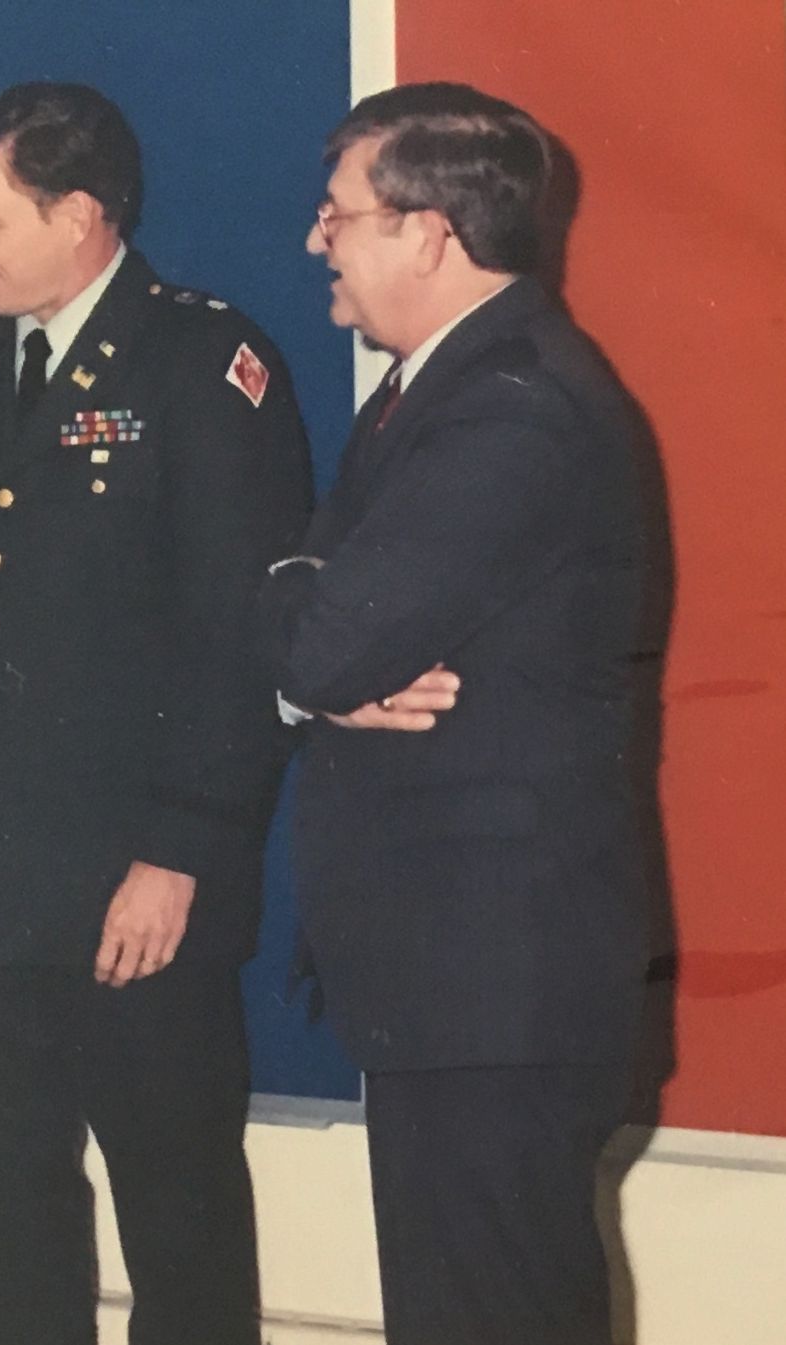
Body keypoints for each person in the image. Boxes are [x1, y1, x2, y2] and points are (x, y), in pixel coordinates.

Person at [0, 82, 312, 1345]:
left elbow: (240, 637)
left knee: (179, 1228)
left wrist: (179, 851)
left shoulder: (199, 363)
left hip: (134, 895)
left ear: (78, 214)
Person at [260, 83, 651, 1345]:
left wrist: (306, 609)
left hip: (496, 986)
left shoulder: (507, 405)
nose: (316, 239)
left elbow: (320, 637)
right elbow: (324, 621)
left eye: (337, 214)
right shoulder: (432, 391)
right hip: (461, 983)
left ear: (427, 233)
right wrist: (317, 623)